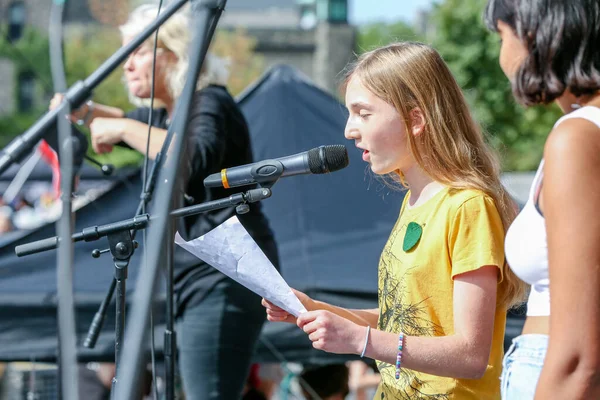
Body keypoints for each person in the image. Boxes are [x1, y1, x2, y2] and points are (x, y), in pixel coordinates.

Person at [263, 41, 528, 399]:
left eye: (362, 113)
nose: (348, 130)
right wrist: (314, 308)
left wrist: (360, 340)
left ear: (415, 119)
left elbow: (471, 354)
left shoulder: (467, 206)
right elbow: (404, 321)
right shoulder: (415, 201)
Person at [50, 4, 279, 399]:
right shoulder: (170, 113)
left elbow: (189, 156)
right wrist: (85, 113)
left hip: (220, 277)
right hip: (191, 277)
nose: (126, 66)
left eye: (137, 52)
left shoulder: (211, 103)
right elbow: (132, 119)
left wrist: (121, 127)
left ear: (173, 54)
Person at [484, 0, 600, 399]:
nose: (501, 55)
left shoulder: (580, 137)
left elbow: (578, 360)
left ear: (536, 33)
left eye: (502, 36)